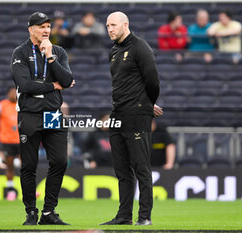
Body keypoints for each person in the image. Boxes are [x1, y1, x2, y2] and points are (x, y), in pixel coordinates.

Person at [10, 12, 74, 225]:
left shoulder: (58, 51)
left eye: (48, 26)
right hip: (29, 115)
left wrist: (50, 57)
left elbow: (66, 80)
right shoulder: (20, 52)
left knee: (60, 161)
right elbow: (25, 85)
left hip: (53, 115)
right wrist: (51, 86)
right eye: (42, 27)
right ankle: (30, 212)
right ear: (31, 29)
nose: (47, 30)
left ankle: (48, 212)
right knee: (29, 165)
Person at [101, 12, 163, 226]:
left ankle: (144, 216)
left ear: (125, 25)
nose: (110, 29)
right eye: (107, 25)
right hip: (117, 115)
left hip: (137, 116)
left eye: (113, 25)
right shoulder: (113, 52)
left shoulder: (140, 46)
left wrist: (147, 105)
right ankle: (124, 216)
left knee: (141, 168)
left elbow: (153, 80)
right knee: (121, 170)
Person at [0, 87, 21, 201]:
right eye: (11, 92)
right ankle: (10, 190)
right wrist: (1, 129)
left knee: (26, 165)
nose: (13, 94)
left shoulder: (22, 104)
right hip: (7, 141)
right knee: (9, 165)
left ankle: (28, 189)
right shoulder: (1, 105)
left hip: (21, 139)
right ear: (8, 94)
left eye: (15, 93)